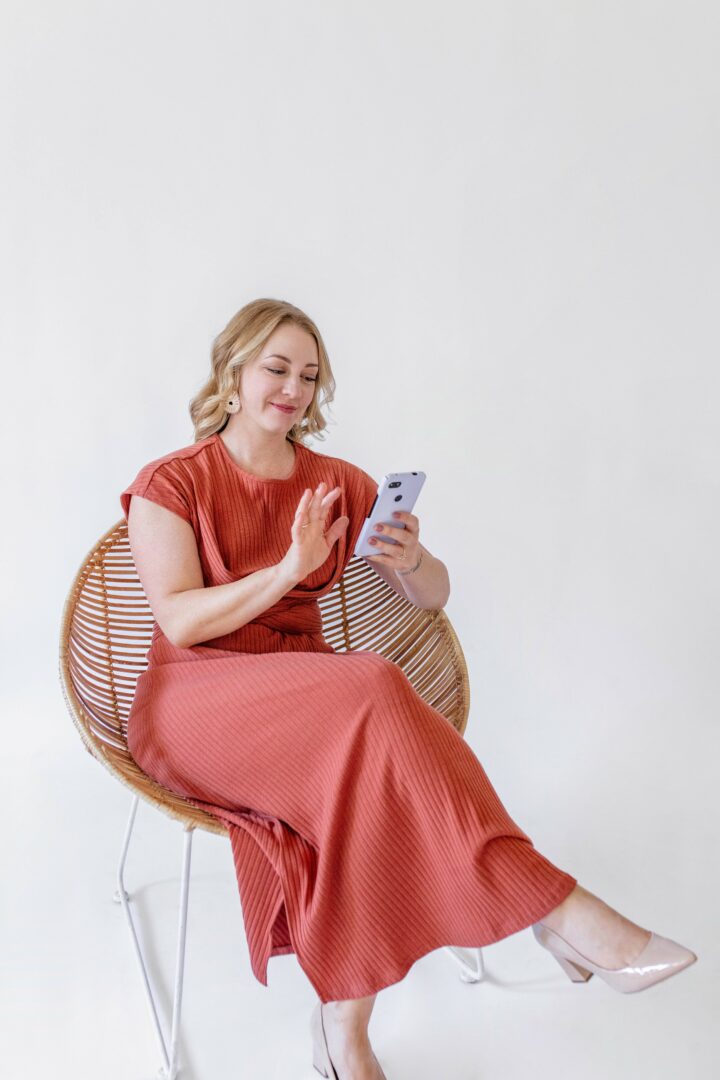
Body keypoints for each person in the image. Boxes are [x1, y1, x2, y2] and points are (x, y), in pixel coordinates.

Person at [120, 298, 696, 1080]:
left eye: (309, 376)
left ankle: (345, 1029)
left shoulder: (337, 483)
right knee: (373, 689)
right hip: (196, 702)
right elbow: (181, 621)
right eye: (276, 369)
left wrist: (411, 559)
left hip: (306, 700)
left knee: (368, 766)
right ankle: (557, 911)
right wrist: (289, 570)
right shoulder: (172, 482)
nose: (293, 389)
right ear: (233, 373)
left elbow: (433, 596)